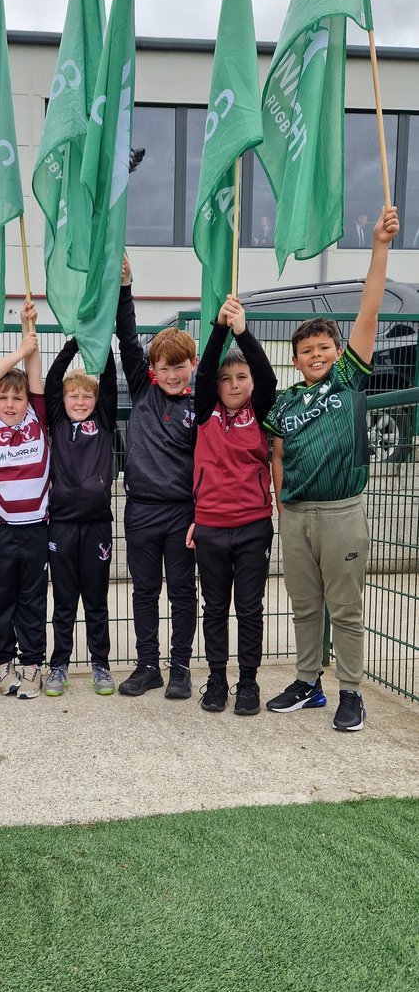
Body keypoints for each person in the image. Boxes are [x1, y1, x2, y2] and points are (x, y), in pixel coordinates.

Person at [264, 205, 399, 731]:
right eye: (306, 350)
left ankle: (350, 691)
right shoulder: (284, 402)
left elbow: (368, 310)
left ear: (337, 350)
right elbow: (275, 452)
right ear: (294, 359)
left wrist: (379, 248)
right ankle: (306, 683)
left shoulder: (347, 378)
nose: (315, 354)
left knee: (344, 608)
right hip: (296, 515)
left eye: (323, 346)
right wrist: (282, 503)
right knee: (304, 606)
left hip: (343, 510)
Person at [185, 295, 277, 716]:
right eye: (228, 378)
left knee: (249, 608)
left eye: (242, 377)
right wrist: (219, 329)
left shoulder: (260, 411)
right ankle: (218, 679)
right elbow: (203, 372)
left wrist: (242, 331)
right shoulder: (205, 412)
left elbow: (268, 377)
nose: (236, 383)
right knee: (215, 607)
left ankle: (249, 683)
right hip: (211, 526)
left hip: (253, 525)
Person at [116, 257, 197, 699]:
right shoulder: (144, 389)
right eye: (162, 367)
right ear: (152, 369)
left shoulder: (201, 403)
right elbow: (128, 338)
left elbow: (208, 465)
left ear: (191, 363)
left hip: (183, 514)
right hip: (141, 512)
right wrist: (125, 287)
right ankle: (147, 665)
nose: (170, 374)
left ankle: (180, 667)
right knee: (144, 591)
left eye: (178, 366)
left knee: (183, 592)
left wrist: (200, 515)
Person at [43, 293, 118, 697]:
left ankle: (100, 664)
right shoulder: (55, 420)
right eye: (74, 396)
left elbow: (104, 382)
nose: (80, 401)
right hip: (62, 523)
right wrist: (73, 341)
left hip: (97, 526)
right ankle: (59, 666)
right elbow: (54, 380)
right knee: (65, 599)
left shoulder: (103, 421)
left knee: (96, 599)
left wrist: (96, 342)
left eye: (86, 396)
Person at [0, 305, 48, 699]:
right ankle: (3, 662)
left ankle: (33, 663)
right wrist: (20, 348)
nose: (9, 404)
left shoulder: (38, 418)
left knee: (32, 600)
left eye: (16, 397)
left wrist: (28, 326)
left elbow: (34, 375)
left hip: (35, 529)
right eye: (3, 397)